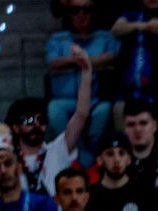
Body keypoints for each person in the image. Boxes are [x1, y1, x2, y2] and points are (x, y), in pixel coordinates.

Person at [4, 57, 91, 198]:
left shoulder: (58, 150)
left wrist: (86, 72)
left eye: (41, 120)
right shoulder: (6, 162)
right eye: (29, 120)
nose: (36, 125)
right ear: (15, 127)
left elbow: (81, 114)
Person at [45, 0, 119, 145]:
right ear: (69, 14)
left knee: (104, 110)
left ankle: (92, 149)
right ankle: (74, 150)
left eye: (86, 9)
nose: (81, 14)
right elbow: (53, 63)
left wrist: (77, 60)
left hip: (95, 100)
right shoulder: (57, 39)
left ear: (93, 12)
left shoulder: (106, 37)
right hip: (64, 100)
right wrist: (90, 61)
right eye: (75, 10)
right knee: (53, 109)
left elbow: (112, 57)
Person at [86, 133, 148, 211]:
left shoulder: (144, 191)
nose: (116, 159)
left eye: (121, 153)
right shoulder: (88, 196)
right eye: (110, 154)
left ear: (129, 159)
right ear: (99, 160)